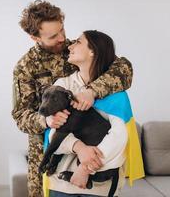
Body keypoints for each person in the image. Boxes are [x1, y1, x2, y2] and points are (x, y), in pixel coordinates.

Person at [12, 1, 133, 197]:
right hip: (52, 149)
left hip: (93, 140)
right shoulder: (26, 68)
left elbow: (124, 69)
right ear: (35, 37)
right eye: (53, 36)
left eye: (62, 30)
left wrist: (92, 91)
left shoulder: (78, 49)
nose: (62, 38)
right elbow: (20, 115)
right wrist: (46, 120)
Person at [48, 30, 128, 197]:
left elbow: (119, 136)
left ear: (93, 51)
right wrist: (79, 148)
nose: (70, 46)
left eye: (78, 42)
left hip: (101, 186)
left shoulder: (115, 89)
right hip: (61, 184)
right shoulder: (62, 85)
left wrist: (85, 168)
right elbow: (53, 132)